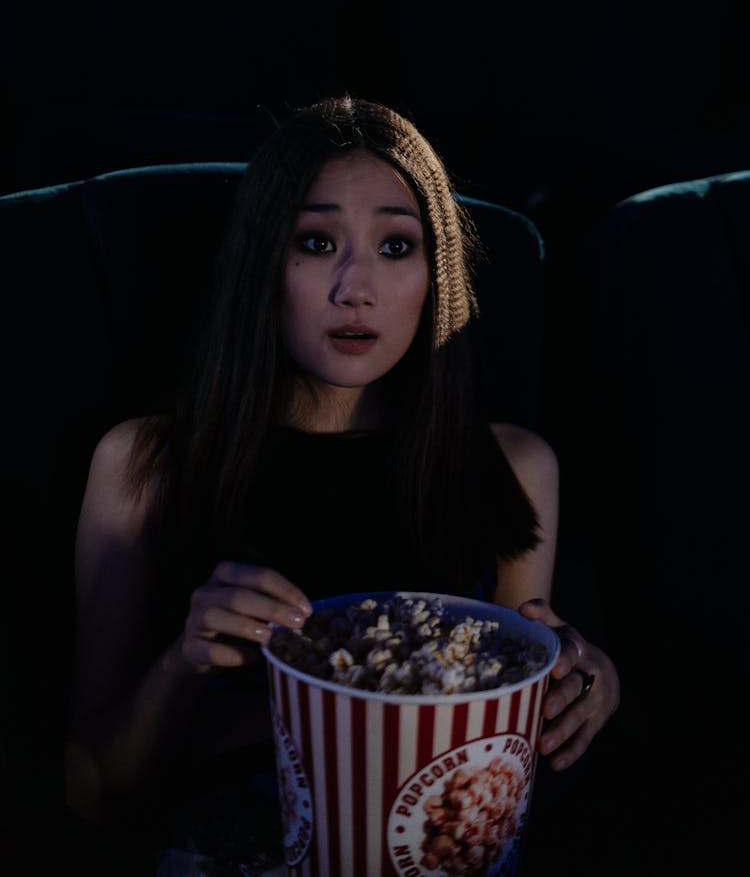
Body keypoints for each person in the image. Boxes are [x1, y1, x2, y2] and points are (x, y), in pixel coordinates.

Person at [64, 94, 620, 873]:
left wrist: (578, 681)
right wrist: (182, 664)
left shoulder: (514, 466)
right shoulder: (144, 462)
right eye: (317, 240)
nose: (356, 286)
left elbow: (501, 750)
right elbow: (93, 792)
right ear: (261, 259)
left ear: (436, 277)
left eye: (397, 246)